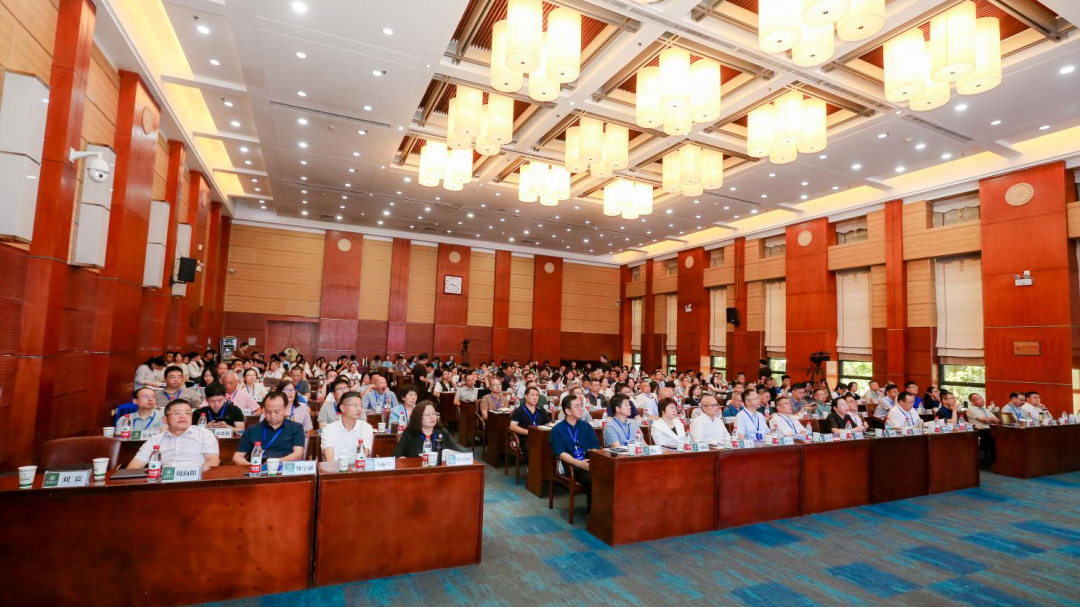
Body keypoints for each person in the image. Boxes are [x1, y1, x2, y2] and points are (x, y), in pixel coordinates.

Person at [127, 399, 220, 468]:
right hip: (164, 483)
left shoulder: (204, 434)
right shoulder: (155, 439)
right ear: (165, 419)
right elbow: (134, 466)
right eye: (177, 413)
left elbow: (212, 461)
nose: (183, 416)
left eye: (187, 413)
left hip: (196, 482)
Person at [234, 392, 306, 466]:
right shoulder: (252, 429)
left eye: (277, 411)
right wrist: (252, 466)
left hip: (284, 468)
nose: (272, 415)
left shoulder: (296, 428)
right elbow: (237, 457)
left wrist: (274, 462)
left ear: (285, 409)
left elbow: (298, 454)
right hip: (257, 468)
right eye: (268, 412)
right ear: (264, 410)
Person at [550, 394, 599, 495]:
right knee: (594, 479)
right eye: (577, 407)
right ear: (568, 411)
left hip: (589, 461)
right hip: (571, 465)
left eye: (581, 405)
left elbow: (595, 445)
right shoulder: (557, 430)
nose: (581, 409)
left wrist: (593, 458)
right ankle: (594, 506)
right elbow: (560, 453)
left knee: (610, 476)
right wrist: (579, 463)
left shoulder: (586, 426)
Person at [393, 400, 467, 462]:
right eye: (428, 414)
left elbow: (459, 453)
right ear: (418, 417)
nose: (432, 417)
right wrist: (404, 460)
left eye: (434, 413)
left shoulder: (442, 432)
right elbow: (396, 455)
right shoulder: (409, 433)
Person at [320, 391, 374, 462]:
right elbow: (329, 461)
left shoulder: (366, 428)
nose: (359, 409)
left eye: (361, 405)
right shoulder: (328, 430)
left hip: (358, 467)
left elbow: (362, 458)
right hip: (335, 468)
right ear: (343, 408)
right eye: (355, 405)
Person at [509, 386, 550, 455]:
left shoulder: (541, 410)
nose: (535, 398)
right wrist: (529, 432)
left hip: (541, 437)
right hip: (526, 438)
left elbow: (549, 424)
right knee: (534, 450)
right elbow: (512, 426)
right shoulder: (519, 410)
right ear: (526, 396)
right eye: (532, 395)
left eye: (537, 395)